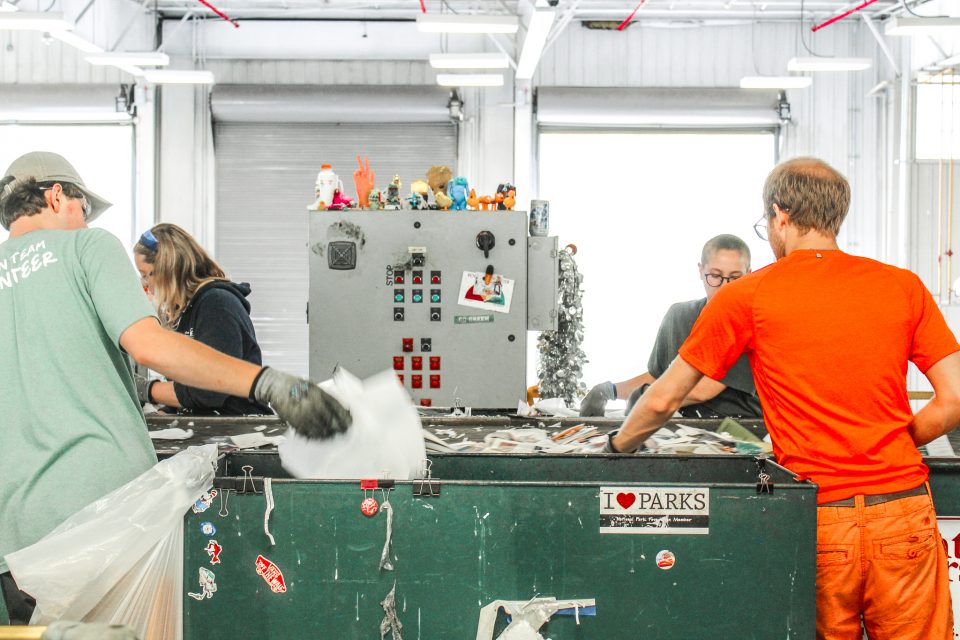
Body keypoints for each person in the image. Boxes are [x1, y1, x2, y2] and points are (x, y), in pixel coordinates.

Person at [609, 157, 958, 639]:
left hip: (816, 518)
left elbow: (663, 400)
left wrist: (615, 449)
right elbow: (955, 398)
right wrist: (897, 439)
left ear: (780, 216)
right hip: (903, 513)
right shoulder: (903, 286)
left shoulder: (746, 296)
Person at [0, 151, 351, 624]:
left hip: (16, 534)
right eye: (84, 209)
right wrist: (265, 382)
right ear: (57, 194)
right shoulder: (88, 249)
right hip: (105, 516)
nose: (85, 222)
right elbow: (149, 345)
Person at [580, 234, 762, 419]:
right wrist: (610, 391)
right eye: (715, 276)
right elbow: (659, 378)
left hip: (743, 431)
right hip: (687, 429)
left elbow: (704, 390)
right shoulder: (679, 316)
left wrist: (646, 398)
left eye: (735, 278)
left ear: (748, 275)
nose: (724, 287)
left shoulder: (750, 323)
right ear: (701, 270)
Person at [133, 223, 271, 416]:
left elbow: (209, 391)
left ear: (168, 269)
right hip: (212, 429)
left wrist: (146, 390)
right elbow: (185, 386)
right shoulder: (181, 312)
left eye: (146, 275)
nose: (145, 284)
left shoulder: (217, 305)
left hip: (240, 430)